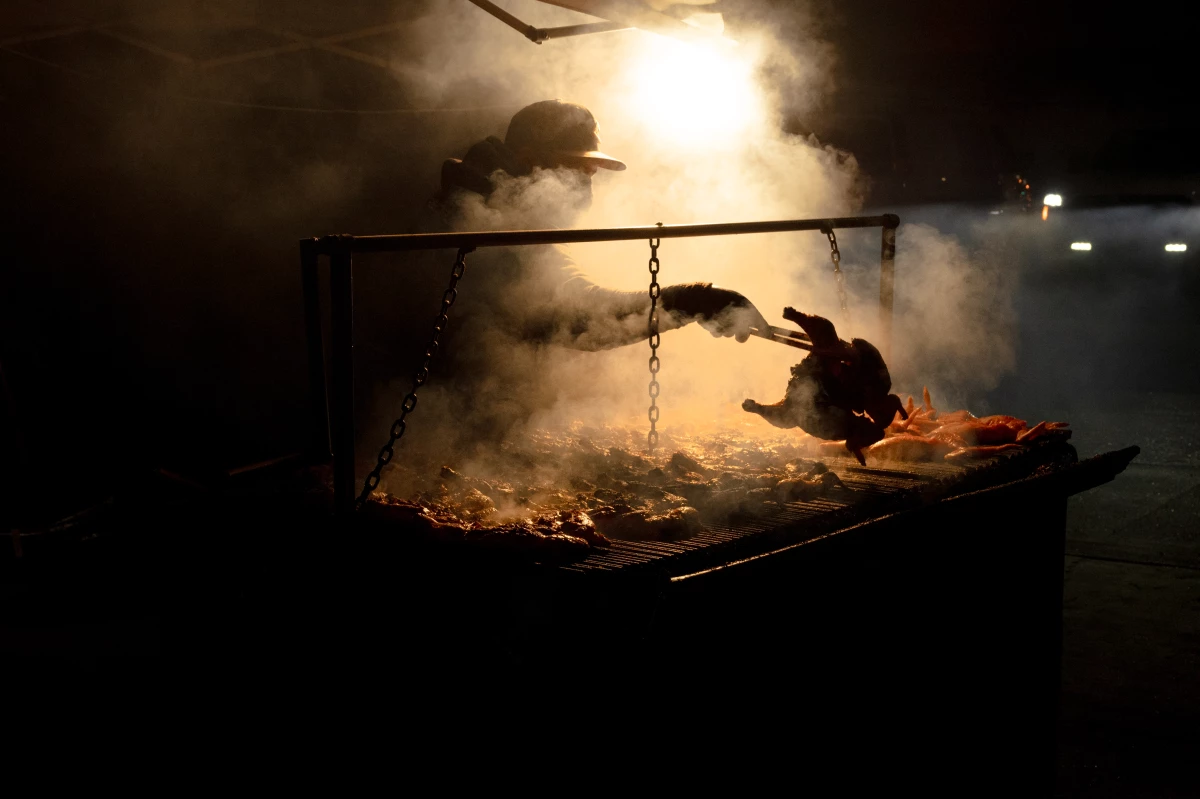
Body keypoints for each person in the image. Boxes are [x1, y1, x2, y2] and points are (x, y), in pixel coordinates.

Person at [400, 99, 771, 449]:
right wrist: (694, 300)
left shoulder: (503, 218)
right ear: (531, 161)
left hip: (472, 435)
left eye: (590, 173)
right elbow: (578, 316)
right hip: (426, 440)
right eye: (578, 169)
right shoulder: (473, 225)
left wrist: (694, 301)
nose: (586, 187)